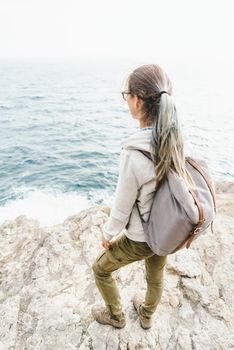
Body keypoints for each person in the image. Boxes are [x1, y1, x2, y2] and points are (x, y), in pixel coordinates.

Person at [91, 63, 194, 329]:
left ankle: (116, 316)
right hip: (168, 228)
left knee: (101, 270)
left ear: (137, 101)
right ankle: (147, 315)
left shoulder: (134, 153)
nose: (126, 101)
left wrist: (108, 233)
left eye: (126, 95)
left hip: (142, 237)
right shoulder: (176, 137)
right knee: (156, 275)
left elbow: (123, 205)